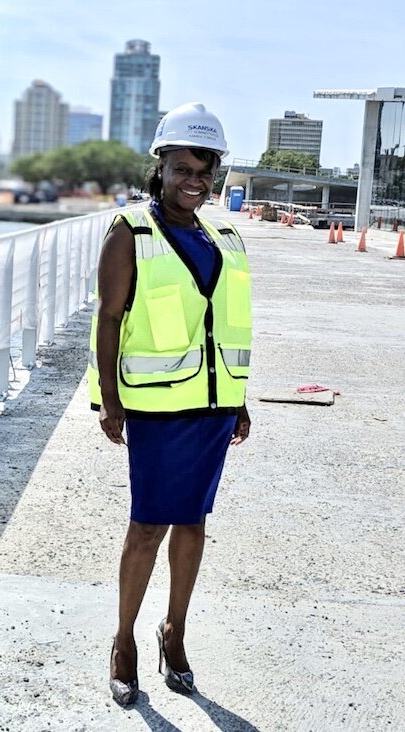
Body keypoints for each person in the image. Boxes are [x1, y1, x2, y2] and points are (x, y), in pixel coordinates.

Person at [86, 102, 252, 705]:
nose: (195, 183)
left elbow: (228, 324)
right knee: (148, 525)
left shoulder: (226, 237)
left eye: (204, 172)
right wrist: (110, 400)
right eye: (183, 168)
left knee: (193, 524)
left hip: (212, 408)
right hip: (156, 408)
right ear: (161, 166)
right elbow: (108, 318)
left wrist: (237, 400)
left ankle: (174, 632)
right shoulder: (130, 231)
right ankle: (124, 639)